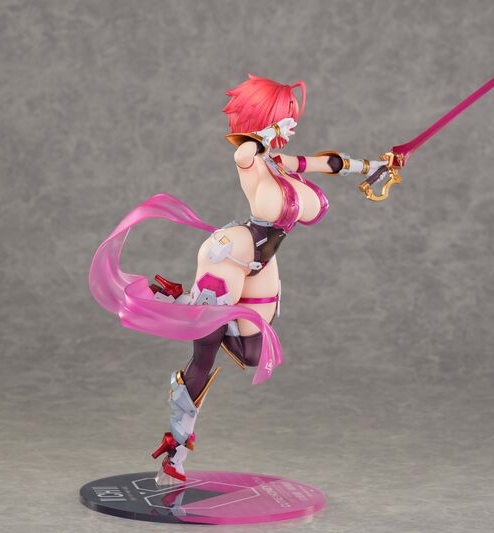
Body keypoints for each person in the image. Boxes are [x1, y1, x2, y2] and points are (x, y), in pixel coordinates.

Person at [89, 74, 386, 485]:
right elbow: (245, 148)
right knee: (205, 350)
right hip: (231, 253)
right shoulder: (251, 159)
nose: (291, 128)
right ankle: (176, 452)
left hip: (263, 261)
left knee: (250, 353)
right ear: (265, 120)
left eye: (291, 120)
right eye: (285, 119)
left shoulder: (279, 163)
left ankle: (188, 303)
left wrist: (377, 165)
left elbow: (330, 163)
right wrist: (264, 132)